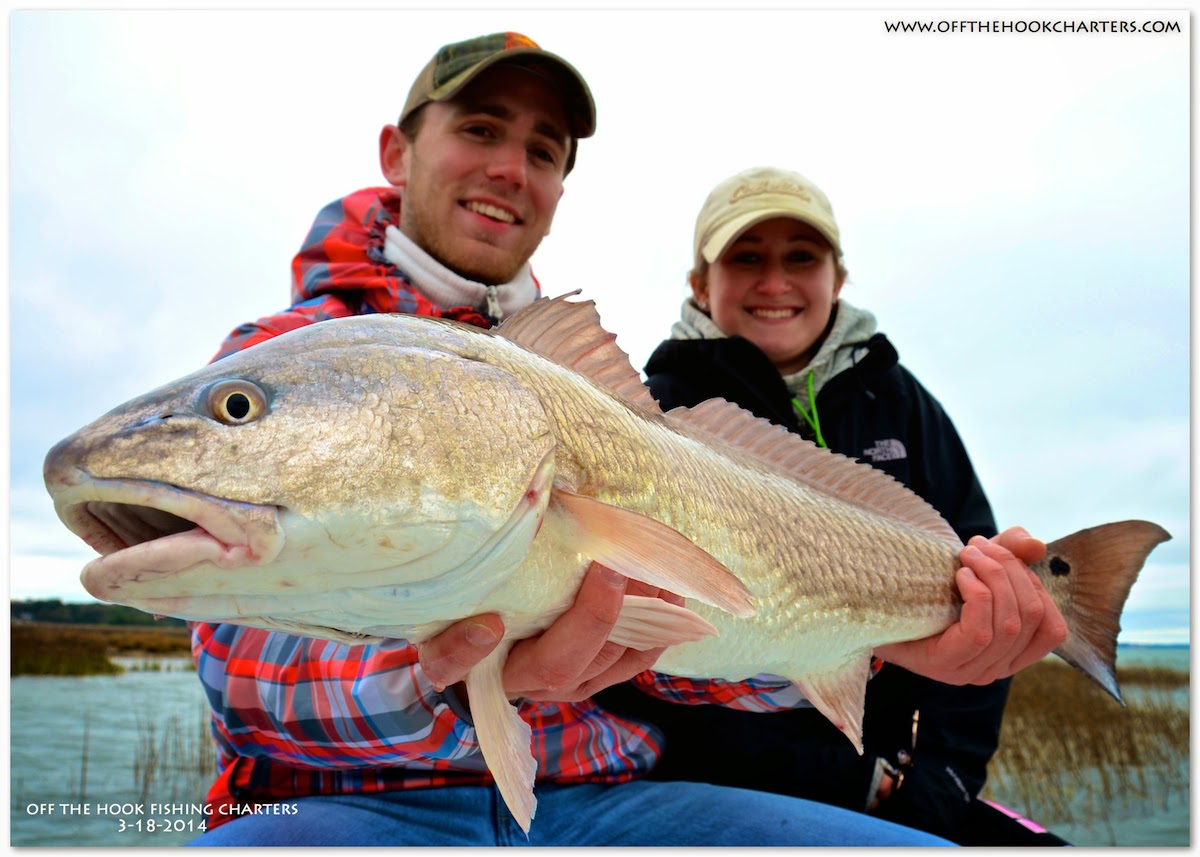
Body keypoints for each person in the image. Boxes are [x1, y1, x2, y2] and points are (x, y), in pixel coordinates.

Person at [187, 35, 1064, 847]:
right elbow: (238, 669)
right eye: (480, 128)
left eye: (544, 152)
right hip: (341, 805)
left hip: (616, 799)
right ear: (396, 151)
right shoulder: (281, 358)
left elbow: (680, 658)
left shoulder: (600, 393)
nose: (510, 169)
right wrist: (453, 676)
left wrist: (877, 641)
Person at [592, 165, 1071, 845]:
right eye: (746, 258)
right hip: (720, 791)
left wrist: (937, 785)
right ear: (699, 283)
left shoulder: (900, 400)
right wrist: (849, 780)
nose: (775, 282)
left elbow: (978, 579)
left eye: (801, 258)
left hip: (909, 790)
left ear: (838, 278)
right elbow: (637, 654)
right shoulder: (650, 413)